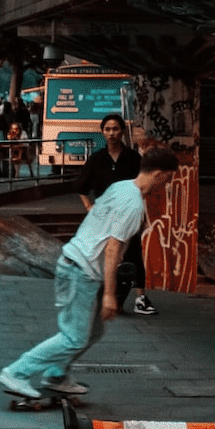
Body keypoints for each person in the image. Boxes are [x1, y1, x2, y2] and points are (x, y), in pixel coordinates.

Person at [0, 147, 180, 400]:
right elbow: (113, 247)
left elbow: (97, 219)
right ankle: (16, 372)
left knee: (92, 332)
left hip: (79, 265)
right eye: (169, 179)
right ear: (159, 175)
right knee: (73, 337)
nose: (167, 185)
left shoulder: (121, 187)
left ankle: (56, 375)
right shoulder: (134, 204)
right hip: (80, 270)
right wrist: (109, 294)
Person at [79, 114, 156, 316]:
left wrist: (143, 215)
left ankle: (141, 298)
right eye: (108, 129)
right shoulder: (96, 159)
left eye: (115, 129)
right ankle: (103, 296)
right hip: (104, 216)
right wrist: (89, 207)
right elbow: (81, 186)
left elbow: (144, 186)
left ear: (122, 131)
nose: (112, 133)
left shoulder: (133, 158)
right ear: (102, 132)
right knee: (101, 255)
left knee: (134, 254)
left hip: (128, 214)